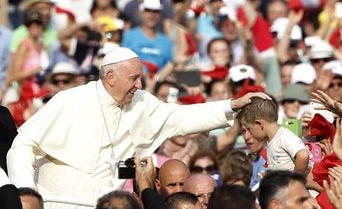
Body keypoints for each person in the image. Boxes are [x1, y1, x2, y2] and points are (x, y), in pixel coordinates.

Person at [7, 47, 269, 208]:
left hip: (109, 204)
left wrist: (232, 105)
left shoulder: (141, 102)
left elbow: (181, 118)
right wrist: (26, 193)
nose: (139, 85)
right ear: (110, 77)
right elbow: (21, 146)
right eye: (133, 78)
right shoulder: (70, 100)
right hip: (59, 203)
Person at [237, 97, 311, 174]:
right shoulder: (272, 141)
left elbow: (303, 155)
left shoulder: (284, 136)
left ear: (259, 123)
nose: (249, 134)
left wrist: (295, 179)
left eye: (249, 128)